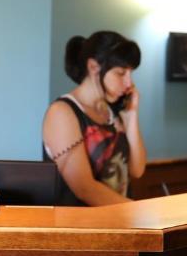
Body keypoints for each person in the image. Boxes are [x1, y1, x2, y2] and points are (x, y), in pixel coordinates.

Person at [42, 31, 147, 205]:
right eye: (121, 73)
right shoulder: (62, 112)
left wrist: (132, 115)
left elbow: (137, 170)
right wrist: (134, 212)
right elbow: (84, 188)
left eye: (131, 73)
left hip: (119, 218)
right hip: (83, 221)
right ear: (93, 67)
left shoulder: (112, 112)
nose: (129, 83)